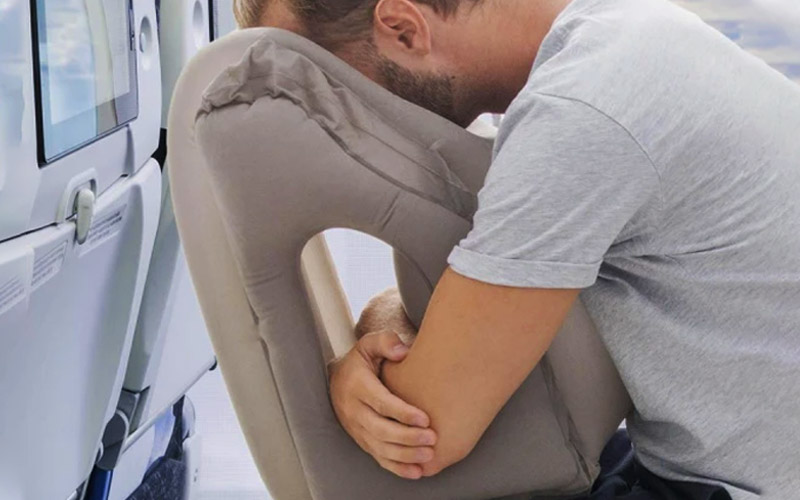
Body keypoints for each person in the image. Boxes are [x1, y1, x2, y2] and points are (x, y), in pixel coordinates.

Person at [233, 0, 800, 498]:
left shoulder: (580, 112)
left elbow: (427, 429)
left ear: (404, 28)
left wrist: (344, 374)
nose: (332, 118)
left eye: (329, 82)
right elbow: (468, 310)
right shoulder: (618, 37)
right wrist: (395, 331)